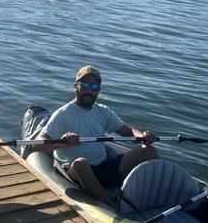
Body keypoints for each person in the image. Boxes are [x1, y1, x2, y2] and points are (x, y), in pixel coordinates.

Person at [36, 65, 158, 207]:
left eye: (94, 87)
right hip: (78, 170)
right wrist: (64, 142)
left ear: (98, 91)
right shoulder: (63, 113)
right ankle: (112, 207)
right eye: (85, 85)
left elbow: (129, 132)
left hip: (104, 166)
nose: (89, 90)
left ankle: (147, 197)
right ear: (76, 86)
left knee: (149, 150)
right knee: (80, 162)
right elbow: (38, 143)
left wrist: (143, 136)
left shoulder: (103, 111)